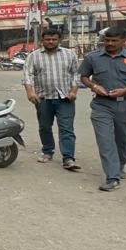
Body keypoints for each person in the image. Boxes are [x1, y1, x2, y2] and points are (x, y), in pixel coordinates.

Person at [80, 27, 126, 192]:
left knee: (124, 140)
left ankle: (120, 166)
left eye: (114, 41)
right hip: (101, 104)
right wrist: (93, 85)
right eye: (107, 40)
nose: (110, 44)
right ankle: (112, 177)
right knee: (105, 141)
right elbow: (84, 76)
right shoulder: (93, 58)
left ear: (123, 41)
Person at [22, 27, 81, 171]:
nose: (51, 42)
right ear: (42, 41)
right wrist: (30, 93)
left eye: (54, 39)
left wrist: (73, 91)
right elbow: (27, 76)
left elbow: (76, 75)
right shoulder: (34, 56)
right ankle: (48, 151)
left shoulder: (69, 54)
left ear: (59, 40)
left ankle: (68, 158)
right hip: (43, 99)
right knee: (44, 127)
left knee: (66, 128)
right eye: (47, 39)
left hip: (65, 99)